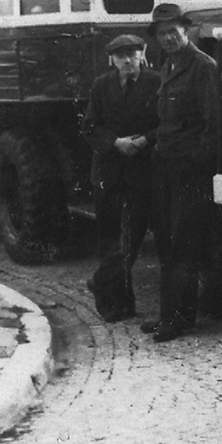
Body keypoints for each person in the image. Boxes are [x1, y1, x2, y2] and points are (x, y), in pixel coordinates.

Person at [139, 3, 222, 343]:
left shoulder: (203, 66)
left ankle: (175, 319)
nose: (168, 38)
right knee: (167, 241)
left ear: (186, 30)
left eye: (174, 31)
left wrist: (197, 165)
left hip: (190, 170)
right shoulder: (168, 65)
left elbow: (215, 124)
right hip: (165, 166)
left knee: (182, 244)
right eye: (162, 33)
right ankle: (176, 314)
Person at [82, 33, 165, 323]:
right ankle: (119, 303)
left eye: (133, 54)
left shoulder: (156, 82)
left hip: (143, 172)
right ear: (112, 60)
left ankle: (103, 285)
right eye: (121, 56)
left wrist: (144, 140)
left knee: (131, 239)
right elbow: (90, 127)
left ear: (142, 54)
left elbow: (167, 122)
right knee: (110, 238)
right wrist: (116, 143)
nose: (127, 60)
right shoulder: (101, 86)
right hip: (108, 173)